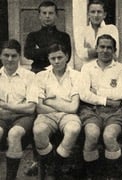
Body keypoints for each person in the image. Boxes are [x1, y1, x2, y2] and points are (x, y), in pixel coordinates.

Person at [78, 34, 122, 179]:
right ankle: (92, 175)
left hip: (115, 111)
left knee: (109, 136)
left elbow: (119, 94)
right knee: (92, 134)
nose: (105, 50)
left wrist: (97, 91)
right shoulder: (87, 67)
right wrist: (106, 100)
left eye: (109, 48)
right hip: (91, 110)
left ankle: (113, 176)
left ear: (114, 50)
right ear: (96, 48)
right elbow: (84, 95)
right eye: (102, 47)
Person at [33, 43, 81, 179]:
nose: (56, 61)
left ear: (67, 57)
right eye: (53, 58)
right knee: (38, 131)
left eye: (60, 57)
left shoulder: (76, 76)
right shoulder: (41, 76)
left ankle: (55, 168)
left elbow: (73, 108)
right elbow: (39, 107)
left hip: (68, 116)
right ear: (48, 58)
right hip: (46, 115)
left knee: (73, 129)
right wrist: (61, 104)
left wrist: (49, 101)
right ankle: (53, 166)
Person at [0, 39, 37, 180]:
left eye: (14, 56)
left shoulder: (30, 76)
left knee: (14, 134)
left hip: (23, 119)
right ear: (0, 56)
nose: (10, 59)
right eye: (6, 55)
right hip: (2, 117)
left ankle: (10, 178)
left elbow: (31, 107)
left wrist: (6, 106)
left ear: (19, 57)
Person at [24, 0, 71, 73]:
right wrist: (52, 49)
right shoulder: (32, 36)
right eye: (44, 13)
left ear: (56, 15)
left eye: (51, 13)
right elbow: (28, 54)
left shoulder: (64, 36)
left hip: (58, 72)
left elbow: (67, 57)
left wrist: (39, 51)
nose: (47, 16)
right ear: (39, 16)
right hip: (38, 72)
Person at [75, 0, 119, 68]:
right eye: (93, 12)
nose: (96, 15)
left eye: (99, 12)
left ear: (104, 14)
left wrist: (89, 50)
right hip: (88, 70)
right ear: (88, 14)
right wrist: (104, 50)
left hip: (108, 68)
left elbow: (115, 54)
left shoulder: (111, 29)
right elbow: (81, 54)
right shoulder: (81, 30)